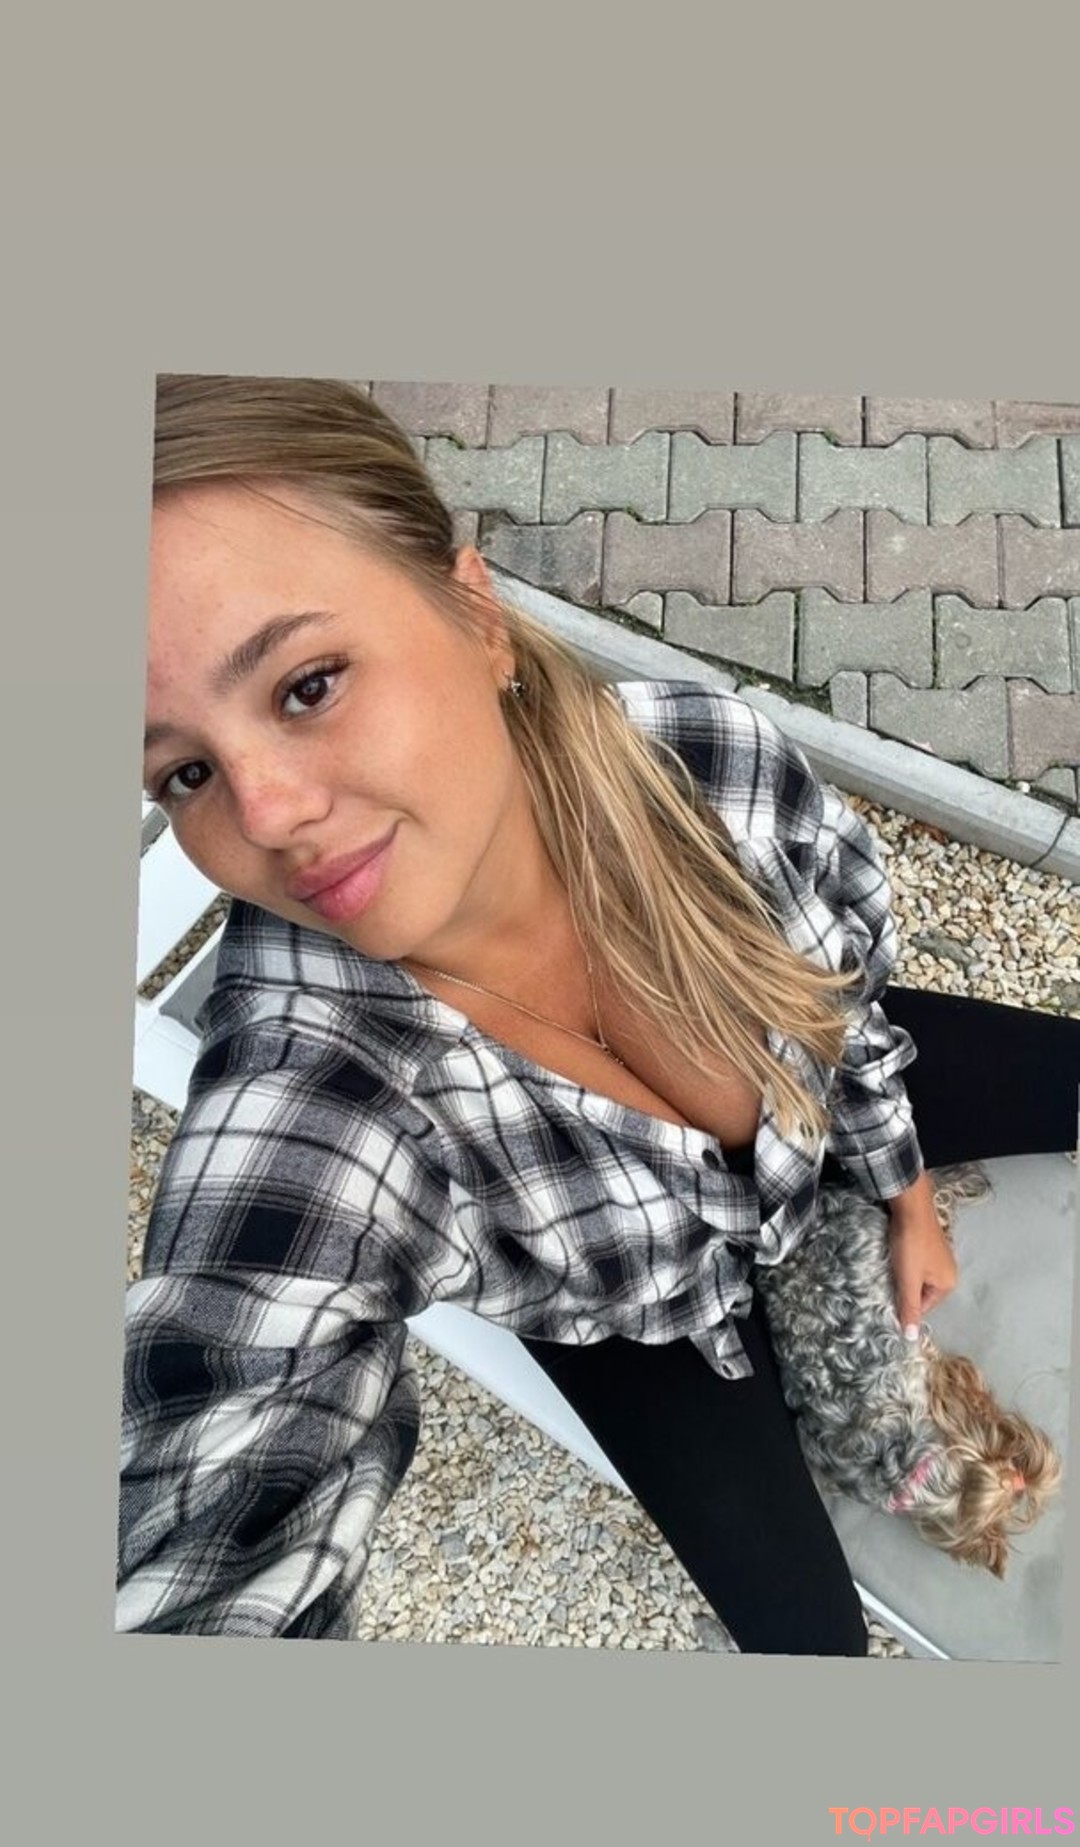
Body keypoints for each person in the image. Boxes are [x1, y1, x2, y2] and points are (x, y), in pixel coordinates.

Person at [118, 374, 1079, 1651]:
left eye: (306, 686)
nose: (267, 812)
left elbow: (842, 1017)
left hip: (810, 1116)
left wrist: (903, 1195)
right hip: (653, 1324)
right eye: (185, 771)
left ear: (477, 615)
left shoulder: (705, 767)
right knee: (809, 1639)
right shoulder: (320, 1110)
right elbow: (215, 1479)